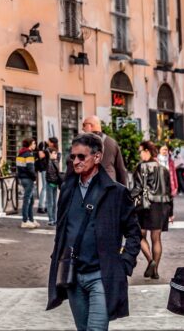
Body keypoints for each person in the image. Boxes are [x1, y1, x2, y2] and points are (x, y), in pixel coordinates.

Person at [47, 132, 141, 331]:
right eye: (73, 157)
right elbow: (62, 228)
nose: (76, 161)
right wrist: (58, 257)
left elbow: (134, 233)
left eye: (82, 156)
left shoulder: (116, 192)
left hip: (102, 276)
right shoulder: (67, 190)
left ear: (97, 157)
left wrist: (124, 263)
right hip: (73, 275)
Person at [134, 140, 173, 279]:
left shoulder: (141, 167)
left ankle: (150, 261)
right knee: (156, 238)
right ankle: (155, 270)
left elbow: (137, 188)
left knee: (139, 234)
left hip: (145, 205)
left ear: (147, 151)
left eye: (140, 151)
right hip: (162, 206)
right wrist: (171, 212)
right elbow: (169, 192)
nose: (139, 155)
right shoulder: (164, 169)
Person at [67, 116, 128, 185]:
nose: (82, 128)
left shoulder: (80, 144)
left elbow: (71, 167)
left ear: (91, 126)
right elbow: (121, 170)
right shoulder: (112, 143)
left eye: (84, 125)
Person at [16, 138, 38, 228]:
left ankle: (31, 219)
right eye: (33, 143)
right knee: (27, 200)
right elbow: (30, 169)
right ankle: (25, 220)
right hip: (28, 179)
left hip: (23, 178)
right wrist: (34, 177)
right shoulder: (29, 155)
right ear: (29, 144)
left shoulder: (20, 153)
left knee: (30, 200)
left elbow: (19, 167)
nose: (35, 145)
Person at [45, 137, 62, 228]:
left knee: (52, 202)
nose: (56, 154)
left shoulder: (51, 161)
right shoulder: (55, 159)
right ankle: (53, 219)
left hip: (51, 182)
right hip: (53, 182)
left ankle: (52, 219)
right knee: (53, 202)